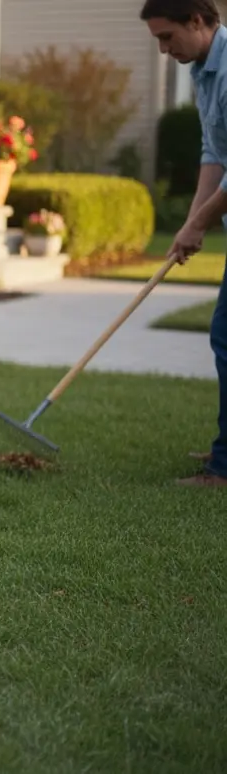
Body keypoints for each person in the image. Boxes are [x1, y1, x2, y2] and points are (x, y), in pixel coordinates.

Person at [142, 0, 227, 488]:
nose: (162, 49)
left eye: (167, 37)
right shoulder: (203, 68)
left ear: (198, 21)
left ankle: (226, 464)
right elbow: (215, 150)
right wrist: (192, 222)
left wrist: (199, 223)